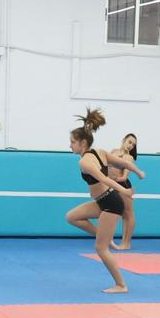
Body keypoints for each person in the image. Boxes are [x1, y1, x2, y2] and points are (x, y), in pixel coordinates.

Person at [62, 108, 130, 294]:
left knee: (100, 248)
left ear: (83, 142)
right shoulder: (93, 154)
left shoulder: (87, 160)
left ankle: (121, 285)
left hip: (111, 202)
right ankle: (105, 238)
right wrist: (137, 171)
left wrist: (124, 188)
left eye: (73, 142)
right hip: (102, 201)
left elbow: (104, 178)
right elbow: (121, 163)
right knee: (72, 217)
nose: (70, 146)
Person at [106, 132, 146, 250]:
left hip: (123, 185)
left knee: (128, 214)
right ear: (124, 140)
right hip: (112, 185)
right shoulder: (113, 151)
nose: (130, 146)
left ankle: (126, 243)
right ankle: (108, 239)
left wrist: (113, 180)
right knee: (112, 212)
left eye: (133, 145)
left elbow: (124, 177)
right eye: (129, 142)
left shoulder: (129, 157)